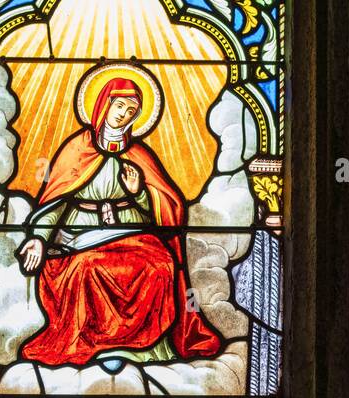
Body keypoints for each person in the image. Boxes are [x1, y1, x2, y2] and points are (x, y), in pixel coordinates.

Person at [16, 76, 222, 370]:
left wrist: (139, 192)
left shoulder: (138, 156)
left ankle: (144, 348)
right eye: (120, 105)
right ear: (103, 105)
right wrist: (37, 237)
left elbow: (166, 207)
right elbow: (55, 201)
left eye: (131, 111)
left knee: (161, 265)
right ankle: (94, 345)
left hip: (131, 229)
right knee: (86, 267)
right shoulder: (77, 150)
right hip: (80, 233)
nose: (123, 114)